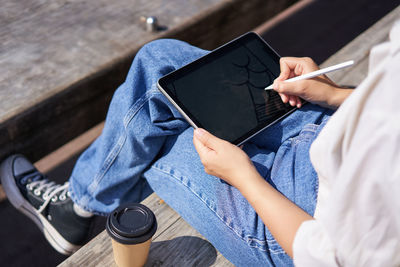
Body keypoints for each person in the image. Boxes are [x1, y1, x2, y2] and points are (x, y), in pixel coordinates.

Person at [1, 21, 400, 266]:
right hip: (333, 133)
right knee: (161, 60)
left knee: (157, 133)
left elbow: (332, 257)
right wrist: (336, 96)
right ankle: (86, 203)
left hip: (297, 222)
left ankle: (78, 209)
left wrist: (246, 179)